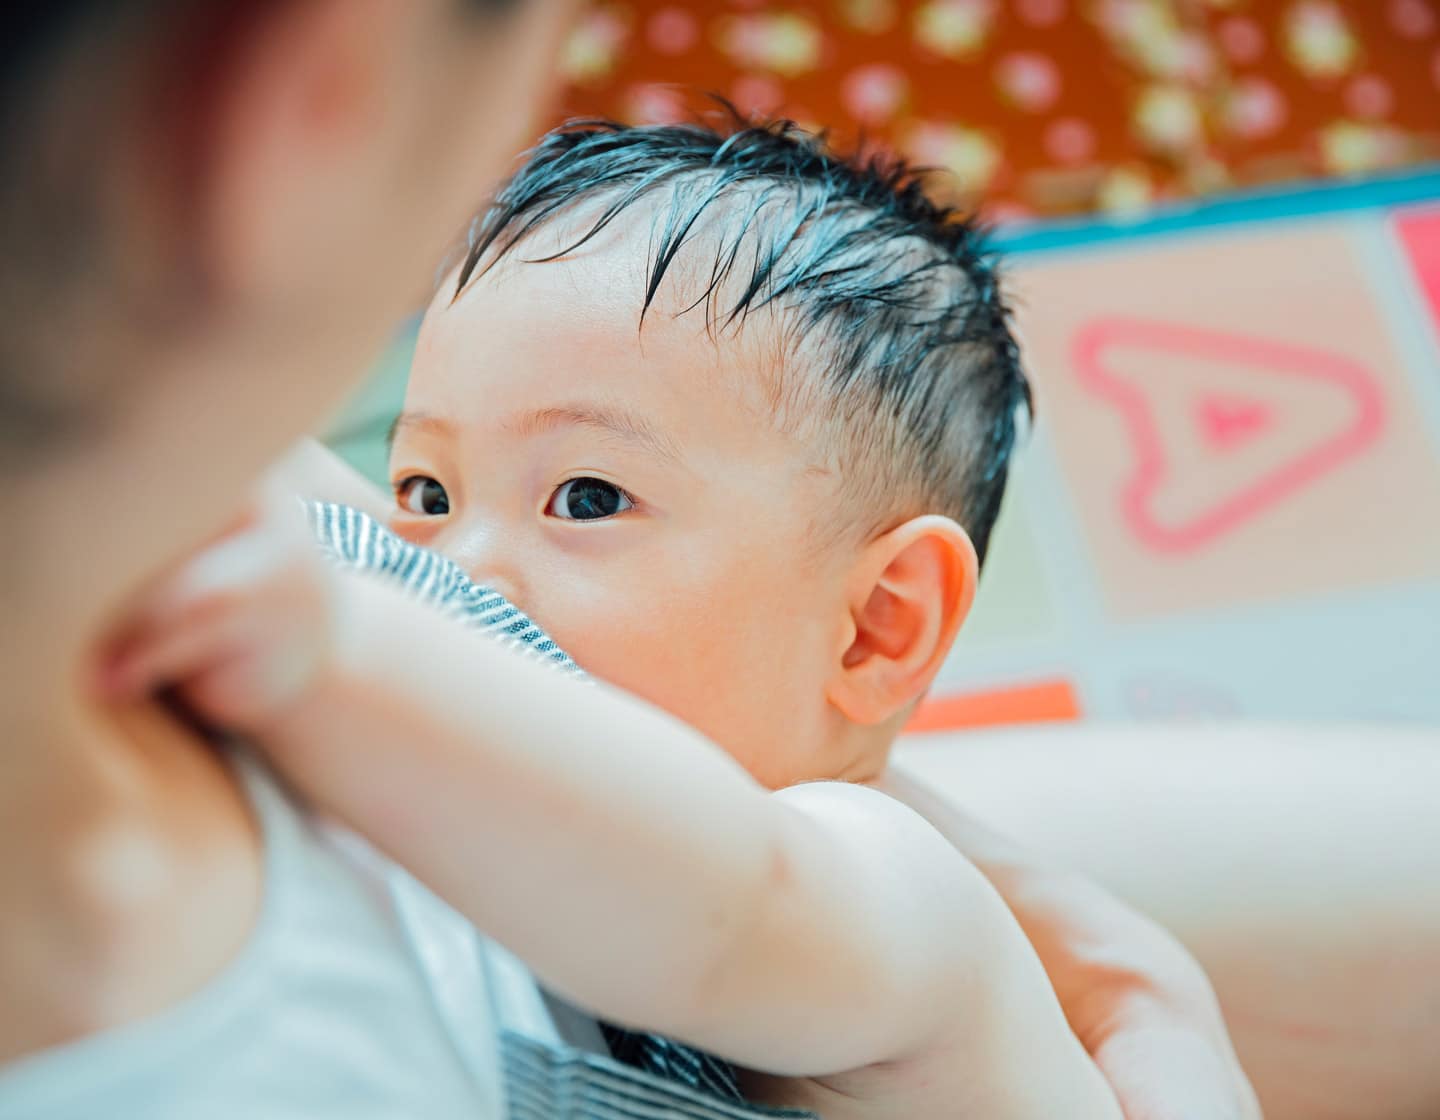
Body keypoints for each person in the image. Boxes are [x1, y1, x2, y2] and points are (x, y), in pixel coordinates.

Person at [0, 1, 1268, 1117]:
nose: (457, 569)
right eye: (426, 490)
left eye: (589, 496)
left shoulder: (888, 889)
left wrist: (335, 653)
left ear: (876, 627)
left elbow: (725, 911)